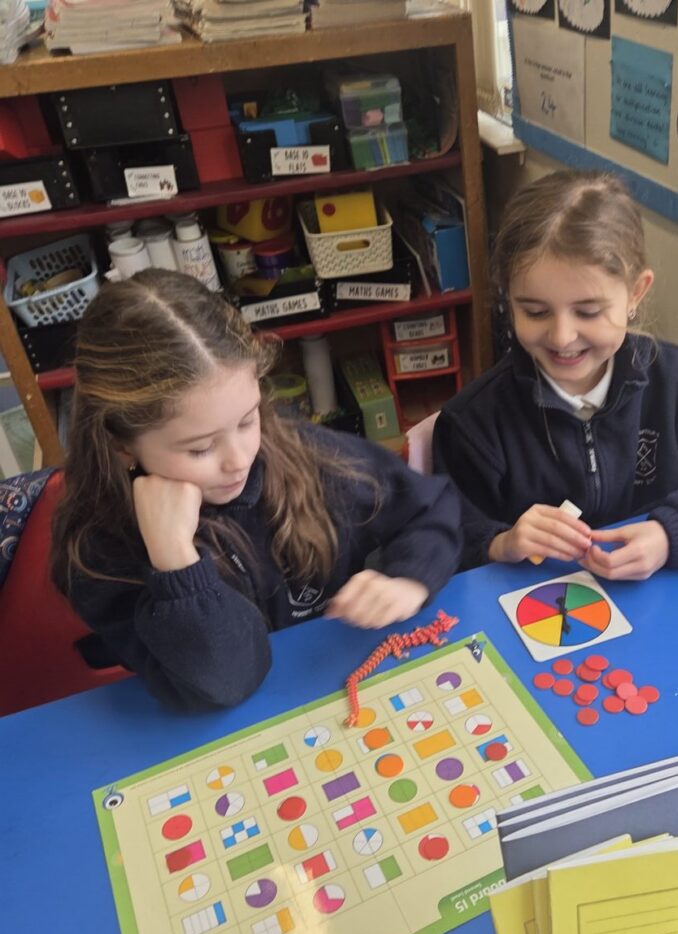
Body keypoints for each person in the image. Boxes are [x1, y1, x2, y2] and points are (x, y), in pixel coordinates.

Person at [52, 269, 461, 710]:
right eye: (200, 448)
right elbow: (228, 681)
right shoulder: (99, 548)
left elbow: (429, 505)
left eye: (247, 420)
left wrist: (409, 576)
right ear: (121, 446)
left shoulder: (305, 454)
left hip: (338, 683)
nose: (239, 459)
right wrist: (175, 563)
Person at [433, 170, 678, 579]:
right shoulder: (472, 423)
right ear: (508, 298)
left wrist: (671, 533)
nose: (562, 337)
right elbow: (441, 542)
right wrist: (501, 542)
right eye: (535, 311)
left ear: (635, 293)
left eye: (588, 311)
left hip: (664, 604)